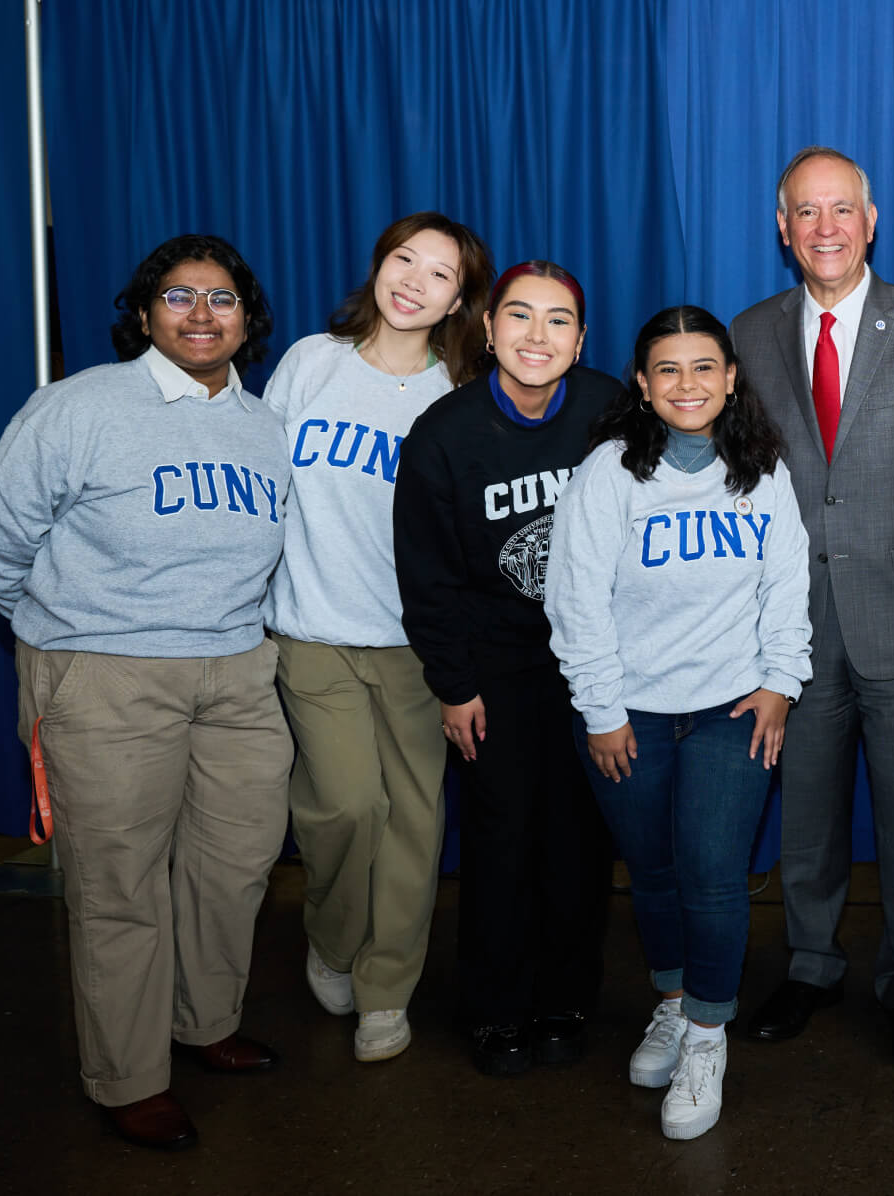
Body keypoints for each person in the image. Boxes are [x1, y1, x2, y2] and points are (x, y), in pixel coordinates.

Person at [0, 234, 291, 1150]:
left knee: (233, 868)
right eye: (180, 296)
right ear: (146, 311)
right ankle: (127, 1074)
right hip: (106, 677)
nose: (202, 315)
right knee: (120, 887)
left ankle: (204, 1023)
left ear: (248, 318)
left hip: (237, 672)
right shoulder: (79, 407)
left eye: (222, 298)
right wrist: (66, 635)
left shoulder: (264, 425)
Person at [731, 146, 894, 1072]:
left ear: (871, 221)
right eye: (807, 212)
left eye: (842, 210)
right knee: (804, 811)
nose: (826, 228)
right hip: (793, 628)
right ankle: (809, 966)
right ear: (783, 227)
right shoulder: (751, 332)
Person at [547, 305, 812, 1139]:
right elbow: (575, 599)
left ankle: (705, 1034)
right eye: (669, 369)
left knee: (711, 872)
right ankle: (671, 1000)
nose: (687, 384)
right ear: (642, 383)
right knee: (653, 870)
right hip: (630, 715)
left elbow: (787, 586)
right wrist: (601, 709)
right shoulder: (609, 474)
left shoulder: (762, 471)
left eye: (705, 368)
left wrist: (781, 683)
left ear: (731, 379)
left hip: (733, 707)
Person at [264, 212, 493, 1063]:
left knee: (415, 821)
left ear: (459, 299)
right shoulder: (310, 364)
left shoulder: (460, 395)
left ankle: (386, 989)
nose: (414, 281)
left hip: (416, 646)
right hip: (312, 630)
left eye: (439, 274)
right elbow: (259, 484)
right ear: (379, 264)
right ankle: (331, 939)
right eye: (405, 259)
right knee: (345, 809)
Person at [392, 260, 618, 1076]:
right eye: (517, 316)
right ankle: (493, 1008)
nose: (536, 335)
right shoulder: (443, 433)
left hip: (590, 662)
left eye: (558, 320)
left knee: (581, 837)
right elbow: (426, 575)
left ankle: (566, 999)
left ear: (581, 339)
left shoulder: (608, 411)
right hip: (493, 668)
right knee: (502, 836)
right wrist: (454, 684)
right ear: (486, 330)